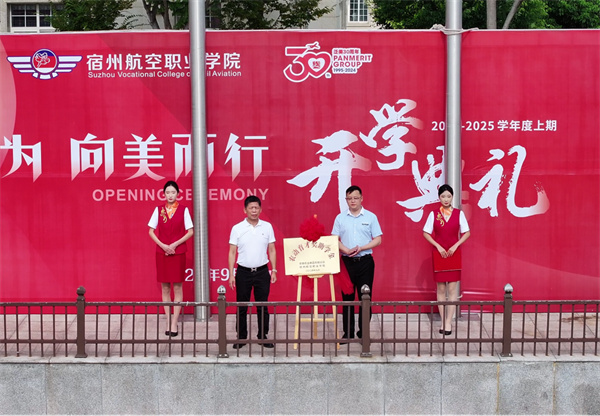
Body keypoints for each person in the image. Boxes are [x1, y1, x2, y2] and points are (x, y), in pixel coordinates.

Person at [332, 185, 382, 342]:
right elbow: (333, 239)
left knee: (365, 297)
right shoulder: (340, 218)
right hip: (346, 263)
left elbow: (378, 239)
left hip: (365, 262)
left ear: (361, 198)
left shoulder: (370, 217)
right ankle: (348, 333)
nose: (352, 201)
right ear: (346, 200)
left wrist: (362, 247)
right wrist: (346, 250)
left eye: (355, 198)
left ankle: (363, 332)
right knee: (347, 297)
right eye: (349, 198)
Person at [228, 195, 277, 349]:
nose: (254, 210)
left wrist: (274, 269)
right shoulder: (237, 228)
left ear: (260, 209)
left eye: (256, 208)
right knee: (242, 306)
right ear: (245, 210)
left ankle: (263, 336)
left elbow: (272, 249)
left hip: (262, 271)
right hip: (243, 272)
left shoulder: (267, 227)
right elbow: (232, 252)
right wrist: (231, 274)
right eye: (251, 208)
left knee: (263, 305)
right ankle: (241, 337)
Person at [422, 184, 470, 336]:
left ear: (452, 197)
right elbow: (426, 232)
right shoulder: (434, 214)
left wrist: (455, 246)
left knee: (452, 289)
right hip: (439, 254)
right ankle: (443, 320)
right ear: (439, 197)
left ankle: (449, 321)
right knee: (441, 289)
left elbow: (467, 232)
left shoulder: (458, 214)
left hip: (454, 254)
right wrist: (438, 246)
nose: (446, 199)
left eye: (449, 196)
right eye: (443, 196)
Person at [148, 180, 194, 337]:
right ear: (164, 194)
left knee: (178, 287)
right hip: (162, 253)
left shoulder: (183, 210)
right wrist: (163, 245)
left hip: (178, 253)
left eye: (173, 192)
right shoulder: (159, 210)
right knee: (165, 288)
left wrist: (174, 244)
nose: (170, 195)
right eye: (167, 192)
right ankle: (168, 320)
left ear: (178, 194)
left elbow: (190, 231)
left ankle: (175, 322)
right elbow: (151, 231)